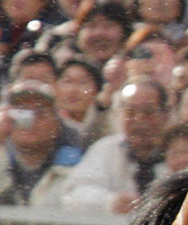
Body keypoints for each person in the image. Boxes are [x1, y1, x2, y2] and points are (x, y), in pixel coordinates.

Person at [61, 77, 169, 213]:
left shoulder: (181, 151)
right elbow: (74, 195)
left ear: (165, 114)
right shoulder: (105, 150)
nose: (139, 120)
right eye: (130, 112)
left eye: (148, 112)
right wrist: (110, 202)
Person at [0, 79, 82, 206]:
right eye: (21, 112)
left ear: (56, 123)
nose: (30, 121)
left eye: (40, 112)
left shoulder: (72, 167)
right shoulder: (3, 160)